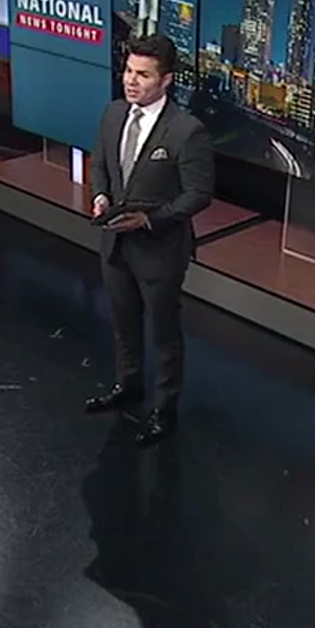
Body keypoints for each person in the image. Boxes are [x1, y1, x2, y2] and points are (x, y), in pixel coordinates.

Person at [85, 34, 214, 444]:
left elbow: (198, 194)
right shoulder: (112, 113)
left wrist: (149, 220)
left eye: (142, 74)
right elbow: (101, 163)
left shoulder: (187, 131)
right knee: (123, 322)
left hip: (160, 250)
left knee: (163, 334)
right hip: (115, 244)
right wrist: (101, 195)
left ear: (166, 80)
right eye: (128, 71)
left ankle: (164, 409)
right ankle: (128, 386)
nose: (131, 80)